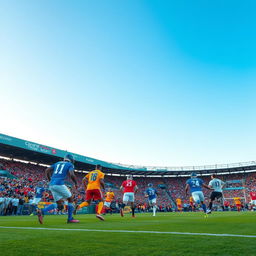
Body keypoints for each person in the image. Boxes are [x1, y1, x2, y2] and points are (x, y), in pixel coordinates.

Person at [37, 153, 79, 224]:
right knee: (70, 199)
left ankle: (42, 211)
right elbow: (72, 174)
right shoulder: (70, 164)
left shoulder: (57, 163)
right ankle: (70, 219)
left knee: (60, 205)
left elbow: (47, 170)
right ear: (71, 159)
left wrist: (49, 180)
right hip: (59, 184)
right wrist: (76, 183)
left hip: (51, 185)